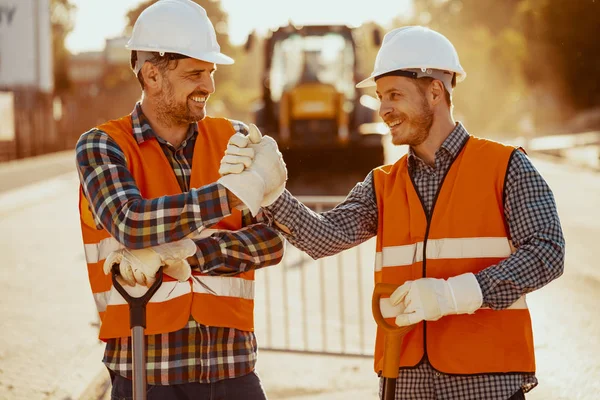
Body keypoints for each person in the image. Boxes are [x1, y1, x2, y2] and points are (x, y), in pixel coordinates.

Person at [220, 26, 565, 400]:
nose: (384, 109)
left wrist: (456, 294)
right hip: (406, 381)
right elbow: (323, 237)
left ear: (436, 91)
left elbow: (547, 251)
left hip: (486, 381)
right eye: (381, 96)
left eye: (395, 95)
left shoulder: (506, 166)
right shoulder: (383, 183)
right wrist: (271, 193)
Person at [75, 0, 287, 399]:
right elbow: (130, 222)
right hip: (147, 370)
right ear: (152, 75)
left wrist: (189, 253)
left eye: (210, 72)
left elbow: (272, 241)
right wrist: (234, 193)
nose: (208, 86)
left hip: (232, 367)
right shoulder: (102, 145)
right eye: (194, 73)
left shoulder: (234, 139)